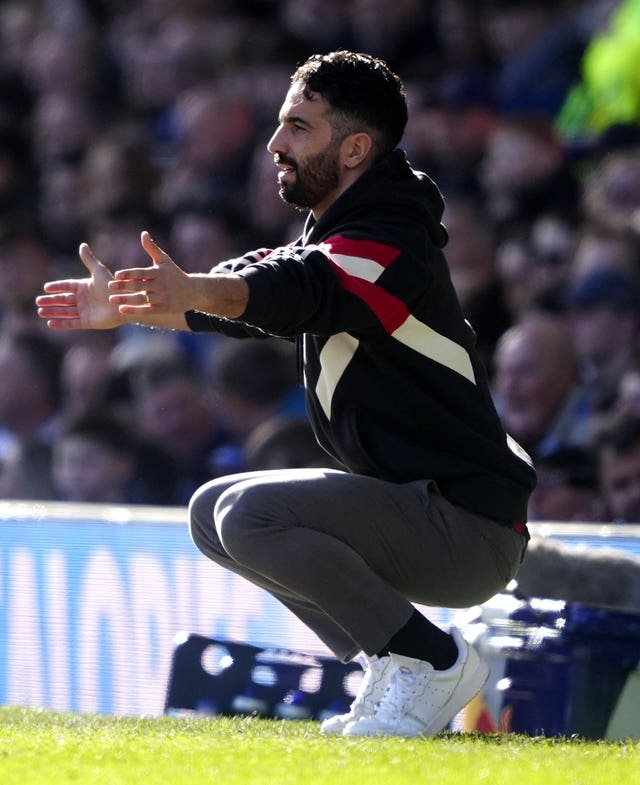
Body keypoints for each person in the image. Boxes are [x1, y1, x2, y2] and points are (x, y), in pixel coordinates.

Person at [36, 51, 536, 739]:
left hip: (466, 529)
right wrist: (135, 305)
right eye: (280, 125)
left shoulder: (389, 241)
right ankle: (400, 669)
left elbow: (297, 290)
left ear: (355, 148)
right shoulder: (343, 234)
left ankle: (429, 660)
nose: (275, 143)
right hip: (421, 513)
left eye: (298, 127)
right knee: (212, 511)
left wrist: (191, 293)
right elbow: (256, 282)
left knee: (250, 515)